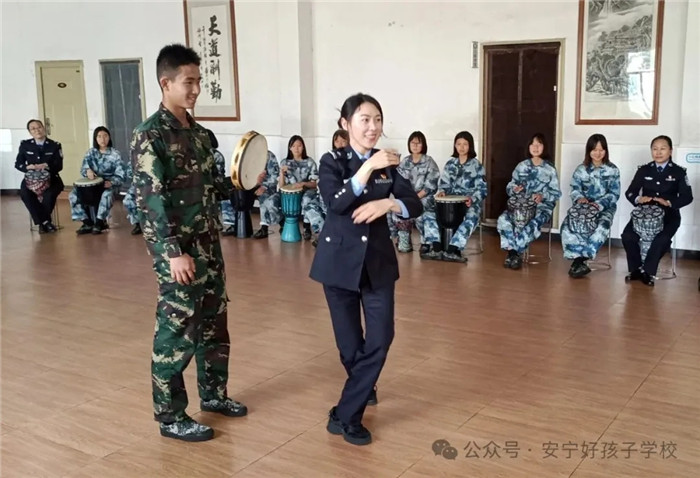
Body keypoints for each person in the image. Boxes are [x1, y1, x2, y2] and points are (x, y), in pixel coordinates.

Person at [131, 43, 246, 442]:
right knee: (177, 331)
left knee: (214, 324)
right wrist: (173, 253)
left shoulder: (199, 135)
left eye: (199, 81)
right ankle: (171, 416)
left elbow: (211, 185)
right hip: (178, 253)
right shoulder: (150, 136)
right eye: (189, 82)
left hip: (208, 247)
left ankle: (213, 395)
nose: (196, 89)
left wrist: (241, 184)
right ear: (166, 83)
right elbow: (151, 202)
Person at [310, 93, 422, 446]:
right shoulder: (332, 162)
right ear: (345, 124)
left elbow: (414, 203)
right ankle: (362, 389)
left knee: (381, 337)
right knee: (349, 346)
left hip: (377, 264)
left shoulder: (388, 165)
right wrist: (368, 167)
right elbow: (336, 203)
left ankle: (345, 414)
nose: (373, 127)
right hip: (338, 266)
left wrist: (388, 203)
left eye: (377, 119)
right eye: (364, 120)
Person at [621, 135, 693, 286]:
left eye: (662, 149)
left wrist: (669, 202)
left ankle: (648, 272)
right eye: (655, 149)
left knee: (662, 239)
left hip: (669, 214)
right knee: (628, 236)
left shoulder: (679, 172)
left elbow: (687, 197)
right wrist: (638, 199)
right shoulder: (644, 170)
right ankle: (635, 270)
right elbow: (630, 192)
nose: (658, 152)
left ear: (670, 151)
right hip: (644, 214)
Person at [497, 133, 561, 269]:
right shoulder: (521, 166)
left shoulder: (550, 169)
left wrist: (542, 196)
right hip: (520, 205)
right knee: (503, 219)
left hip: (542, 207)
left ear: (544, 147)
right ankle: (513, 254)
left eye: (539, 144)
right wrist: (515, 189)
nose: (535, 147)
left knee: (533, 223)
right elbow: (510, 186)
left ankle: (514, 253)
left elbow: (556, 193)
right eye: (533, 144)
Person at [560, 134, 620, 278]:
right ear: (589, 151)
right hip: (582, 207)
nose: (598, 153)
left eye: (601, 150)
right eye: (594, 150)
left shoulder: (613, 170)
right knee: (566, 225)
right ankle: (577, 260)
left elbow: (614, 194)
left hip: (604, 208)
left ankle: (580, 261)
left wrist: (598, 205)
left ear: (606, 151)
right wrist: (579, 199)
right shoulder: (581, 170)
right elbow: (574, 189)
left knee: (601, 227)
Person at [420, 131, 486, 262]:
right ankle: (436, 248)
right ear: (455, 146)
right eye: (458, 144)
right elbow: (444, 185)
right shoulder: (450, 164)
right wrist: (442, 192)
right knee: (428, 213)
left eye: (465, 144)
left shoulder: (477, 166)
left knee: (472, 217)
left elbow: (482, 189)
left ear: (470, 146)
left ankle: (452, 250)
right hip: (449, 203)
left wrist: (472, 199)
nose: (461, 147)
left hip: (468, 202)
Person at [388, 131, 439, 254]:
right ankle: (403, 239)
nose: (415, 145)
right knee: (394, 210)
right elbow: (398, 183)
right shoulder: (405, 161)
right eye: (412, 142)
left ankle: (427, 243)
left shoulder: (429, 161)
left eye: (418, 143)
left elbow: (430, 186)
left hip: (424, 198)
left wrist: (414, 198)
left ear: (423, 145)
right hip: (408, 198)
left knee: (422, 214)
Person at [69, 126, 126, 234]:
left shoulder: (115, 154)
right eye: (99, 136)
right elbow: (83, 169)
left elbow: (121, 175)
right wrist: (88, 171)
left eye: (105, 136)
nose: (102, 139)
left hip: (109, 184)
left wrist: (112, 182)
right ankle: (87, 222)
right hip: (93, 184)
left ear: (109, 137)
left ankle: (100, 222)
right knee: (73, 195)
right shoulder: (90, 153)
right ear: (95, 138)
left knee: (106, 195)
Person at [15, 119, 63, 233]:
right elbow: (18, 164)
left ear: (44, 128)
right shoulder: (25, 145)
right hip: (31, 179)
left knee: (49, 195)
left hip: (52, 178)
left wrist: (46, 166)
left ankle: (42, 223)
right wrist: (28, 167)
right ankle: (45, 222)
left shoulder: (54, 145)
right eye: (33, 129)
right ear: (30, 132)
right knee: (25, 193)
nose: (37, 130)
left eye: (39, 127)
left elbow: (59, 166)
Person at [279, 135, 324, 242]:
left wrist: (303, 183)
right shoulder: (284, 162)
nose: (296, 148)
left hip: (308, 190)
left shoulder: (310, 162)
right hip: (291, 192)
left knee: (306, 199)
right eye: (293, 146)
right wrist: (281, 173)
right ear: (290, 148)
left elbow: (315, 184)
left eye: (299, 145)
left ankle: (306, 226)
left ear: (303, 147)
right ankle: (283, 224)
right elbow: (281, 186)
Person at [206, 129, 236, 235]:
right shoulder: (201, 154)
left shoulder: (216, 155)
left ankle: (229, 225)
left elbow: (216, 176)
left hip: (217, 184)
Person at [252, 151, 281, 239]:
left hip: (267, 186)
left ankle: (264, 228)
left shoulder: (269, 156)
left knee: (264, 197)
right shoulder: (246, 155)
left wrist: (264, 186)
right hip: (251, 185)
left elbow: (274, 176)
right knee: (234, 194)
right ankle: (233, 226)